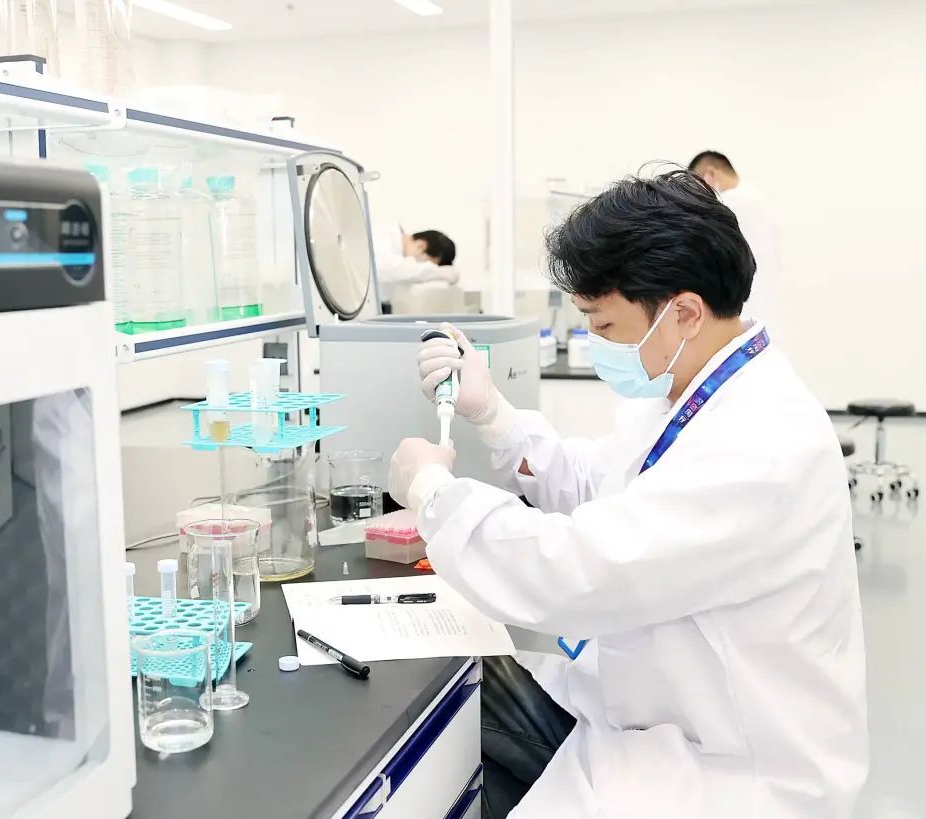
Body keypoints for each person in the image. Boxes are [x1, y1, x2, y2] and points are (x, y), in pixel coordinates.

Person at [388, 170, 867, 818]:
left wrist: (432, 492)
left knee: (443, 717)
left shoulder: (763, 443)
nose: (595, 343)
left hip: (724, 774)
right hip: (642, 720)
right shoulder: (699, 388)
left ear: (685, 312)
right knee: (456, 692)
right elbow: (606, 485)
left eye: (605, 324)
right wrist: (494, 414)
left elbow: (578, 570)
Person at [688, 151, 780, 334]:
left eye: (698, 188)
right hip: (770, 311)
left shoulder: (731, 202)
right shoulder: (759, 199)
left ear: (710, 175)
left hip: (745, 308)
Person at [372, 223, 458, 308]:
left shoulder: (398, 261)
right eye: (428, 263)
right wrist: (439, 272)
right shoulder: (383, 235)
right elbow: (381, 269)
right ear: (421, 246)